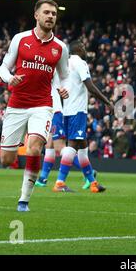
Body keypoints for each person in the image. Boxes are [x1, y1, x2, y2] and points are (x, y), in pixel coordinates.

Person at [0, 0, 69, 212]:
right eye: (46, 13)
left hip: (42, 105)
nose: (50, 17)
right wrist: (9, 79)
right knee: (6, 159)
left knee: (35, 147)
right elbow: (4, 67)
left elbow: (64, 76)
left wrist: (64, 89)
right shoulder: (20, 39)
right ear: (36, 15)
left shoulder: (60, 48)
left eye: (53, 14)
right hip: (17, 104)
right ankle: (17, 144)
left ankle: (24, 201)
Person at [51, 40, 114, 193]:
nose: (86, 50)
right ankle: (60, 182)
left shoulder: (65, 64)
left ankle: (93, 183)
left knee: (82, 147)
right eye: (84, 47)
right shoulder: (80, 63)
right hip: (77, 110)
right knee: (73, 145)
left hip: (67, 109)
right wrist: (107, 101)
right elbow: (90, 86)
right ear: (78, 49)